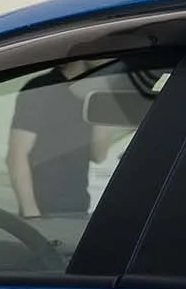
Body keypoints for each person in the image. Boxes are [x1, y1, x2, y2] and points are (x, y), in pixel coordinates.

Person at [8, 61, 121, 219]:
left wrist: (102, 104)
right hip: (43, 211)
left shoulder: (93, 94)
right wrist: (31, 213)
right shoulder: (42, 88)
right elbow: (17, 156)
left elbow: (99, 155)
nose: (110, 60)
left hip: (78, 209)